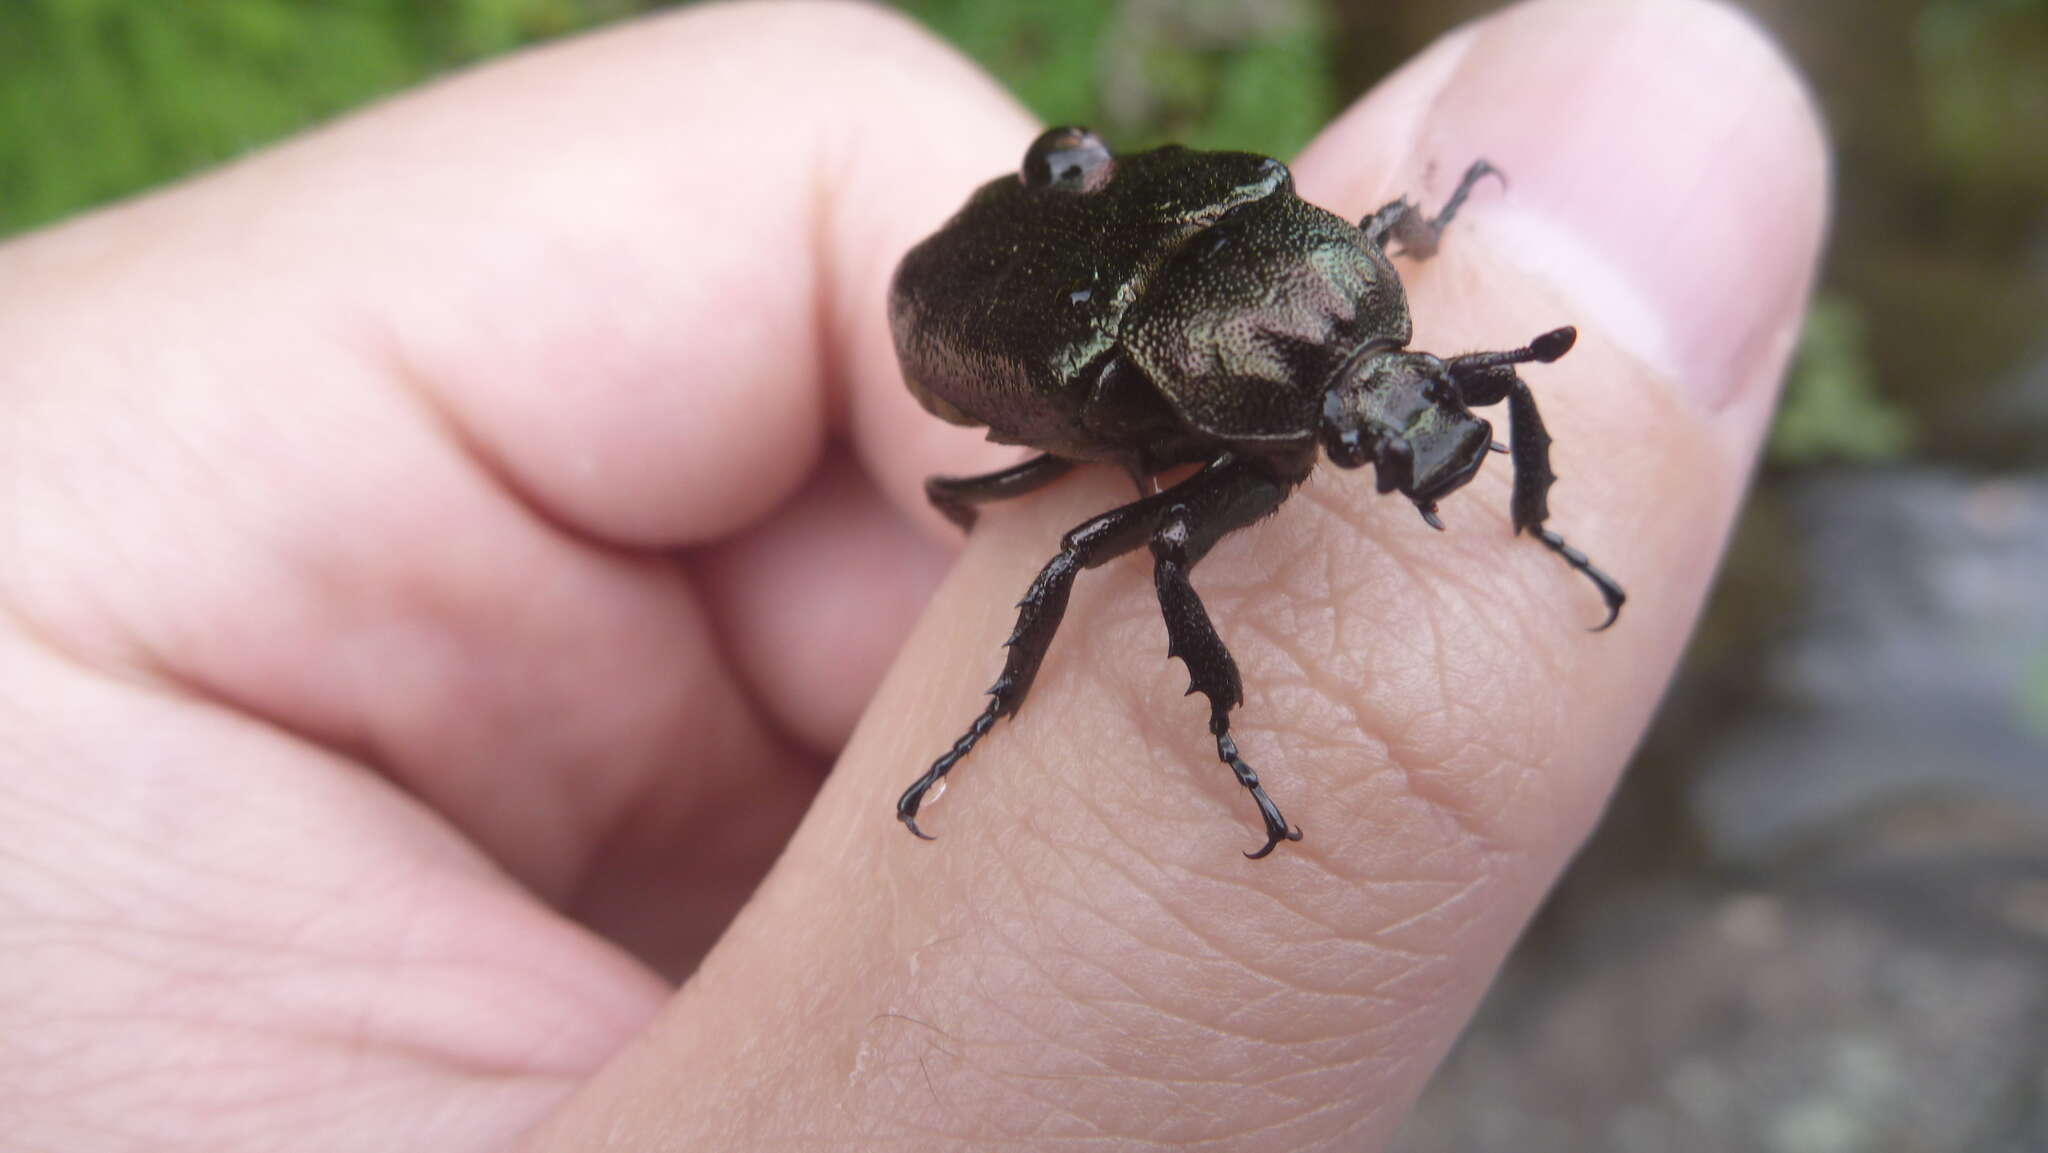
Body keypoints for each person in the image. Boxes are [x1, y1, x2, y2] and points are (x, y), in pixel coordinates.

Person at [0, 0, 1825, 1148]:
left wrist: (1480, 419)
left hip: (1153, 246)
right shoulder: (1143, 406)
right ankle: (1012, 720)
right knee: (1086, 553)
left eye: (1389, 390)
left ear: (1366, 271)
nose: (1400, 412)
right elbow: (1098, 544)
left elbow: (1366, 275)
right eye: (1379, 406)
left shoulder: (1334, 259)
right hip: (1010, 312)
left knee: (1111, 521)